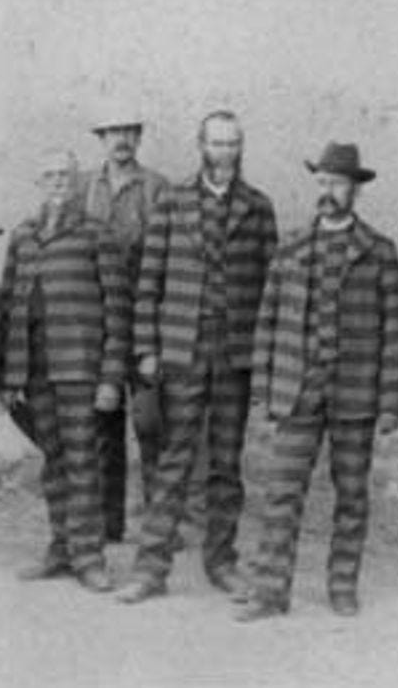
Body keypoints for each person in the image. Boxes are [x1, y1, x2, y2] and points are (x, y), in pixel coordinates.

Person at [236, 142, 398, 621]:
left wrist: (390, 402)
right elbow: (267, 322)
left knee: (351, 494)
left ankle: (342, 585)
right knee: (281, 492)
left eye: (337, 183)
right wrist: (262, 388)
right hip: (298, 391)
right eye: (322, 182)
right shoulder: (291, 248)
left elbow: (396, 331)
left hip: (355, 395)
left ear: (355, 189)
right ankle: (270, 591)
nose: (328, 191)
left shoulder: (379, 252)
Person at [118, 110, 278, 603]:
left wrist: (264, 358)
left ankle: (222, 562)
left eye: (232, 144)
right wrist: (146, 349)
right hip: (181, 350)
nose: (224, 152)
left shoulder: (258, 207)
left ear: (240, 148)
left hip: (234, 354)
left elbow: (271, 289)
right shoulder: (172, 201)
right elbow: (148, 281)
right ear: (201, 145)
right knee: (173, 460)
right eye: (216, 143)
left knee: (226, 464)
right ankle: (151, 569)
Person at [0, 150, 129, 592]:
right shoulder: (23, 235)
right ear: (38, 183)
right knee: (53, 461)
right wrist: (9, 374)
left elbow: (118, 310)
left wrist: (110, 378)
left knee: (83, 462)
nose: (57, 182)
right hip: (34, 371)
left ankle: (89, 556)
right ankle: (61, 548)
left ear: (77, 183)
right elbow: (9, 304)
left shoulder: (97, 234)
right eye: (49, 175)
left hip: (80, 369)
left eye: (65, 176)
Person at [81, 104, 169, 541]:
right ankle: (107, 523)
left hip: (146, 318)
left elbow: (168, 255)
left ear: (139, 137)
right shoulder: (83, 187)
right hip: (99, 321)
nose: (121, 139)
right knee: (103, 420)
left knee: (151, 422)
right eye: (112, 131)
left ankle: (159, 523)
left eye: (128, 131)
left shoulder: (157, 188)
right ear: (101, 138)